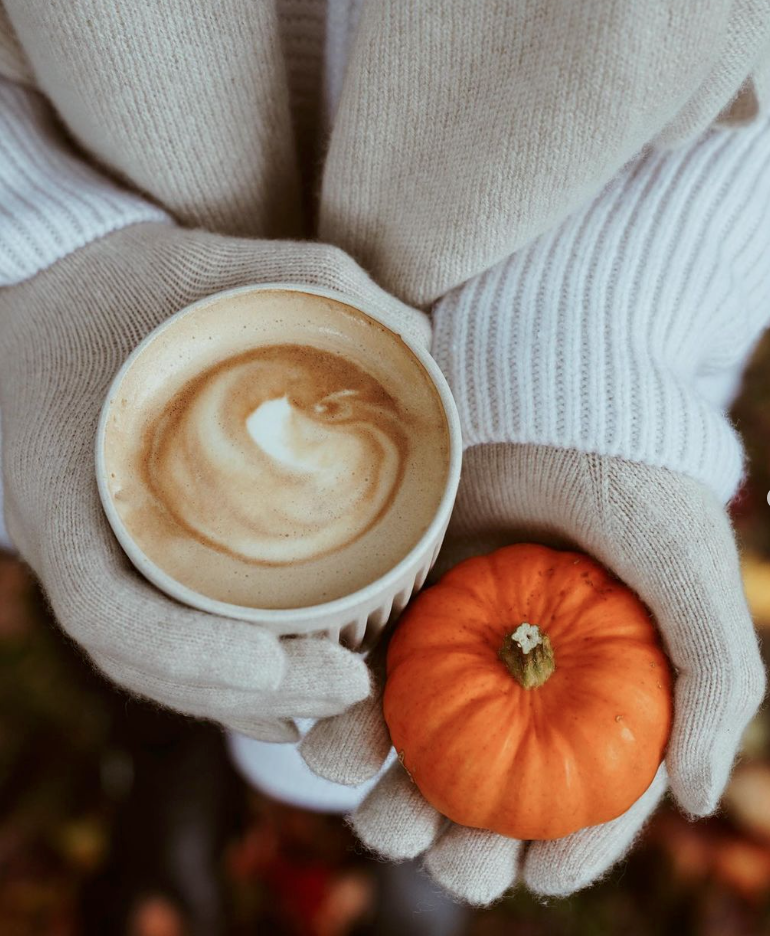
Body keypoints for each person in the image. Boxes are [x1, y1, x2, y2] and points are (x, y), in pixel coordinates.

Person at [1, 0, 768, 908]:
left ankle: (383, 823)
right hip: (97, 351)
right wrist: (41, 249)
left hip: (602, 270)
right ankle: (162, 748)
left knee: (375, 713)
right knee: (133, 603)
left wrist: (586, 333)